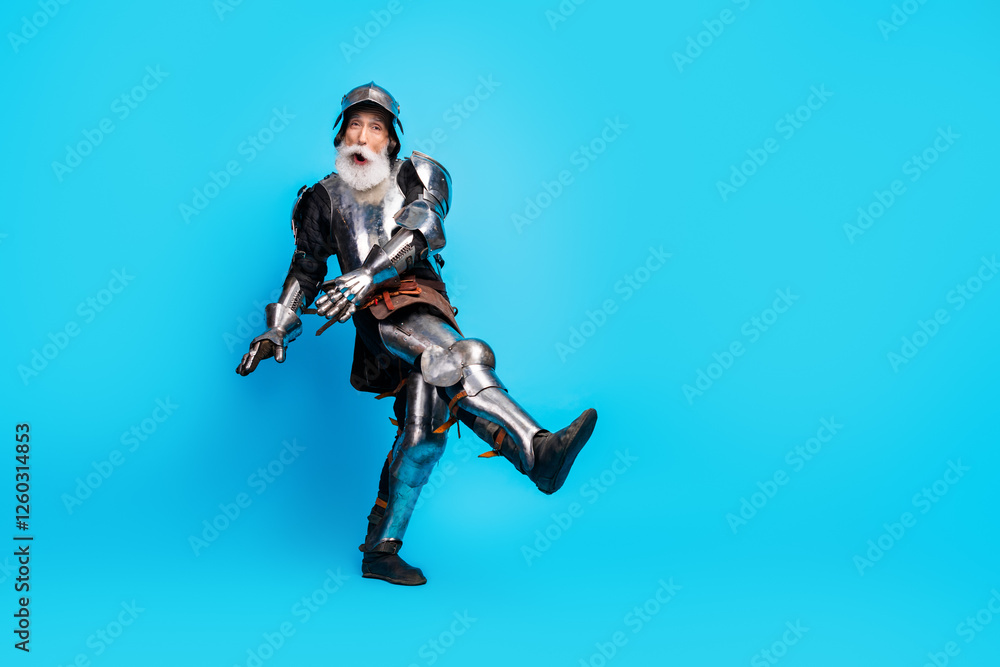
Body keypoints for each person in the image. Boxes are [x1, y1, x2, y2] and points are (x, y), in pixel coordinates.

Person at [236, 82, 598, 586]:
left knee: (424, 436)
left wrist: (368, 272)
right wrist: (277, 328)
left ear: (391, 140)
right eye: (354, 126)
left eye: (375, 127)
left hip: (419, 295)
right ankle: (536, 451)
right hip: (378, 314)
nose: (363, 136)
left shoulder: (416, 173)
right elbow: (306, 268)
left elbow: (424, 225)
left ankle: (380, 552)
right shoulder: (319, 198)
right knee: (463, 355)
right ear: (340, 137)